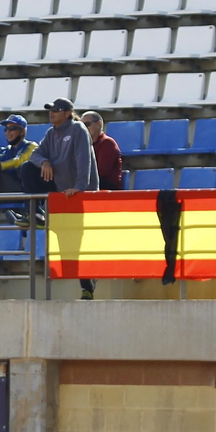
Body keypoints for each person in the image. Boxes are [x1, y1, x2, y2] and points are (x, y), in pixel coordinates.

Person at [28, 99, 98, 224]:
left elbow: (83, 159)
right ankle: (35, 214)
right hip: (60, 184)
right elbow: (35, 155)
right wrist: (44, 162)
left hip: (79, 189)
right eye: (50, 110)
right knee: (27, 168)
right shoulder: (51, 132)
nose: (51, 113)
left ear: (67, 113)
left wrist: (79, 187)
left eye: (56, 110)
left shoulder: (78, 128)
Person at [80, 110, 123, 301]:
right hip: (89, 194)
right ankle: (86, 284)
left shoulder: (108, 144)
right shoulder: (82, 145)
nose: (84, 128)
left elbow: (99, 173)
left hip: (106, 194)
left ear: (98, 124)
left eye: (86, 124)